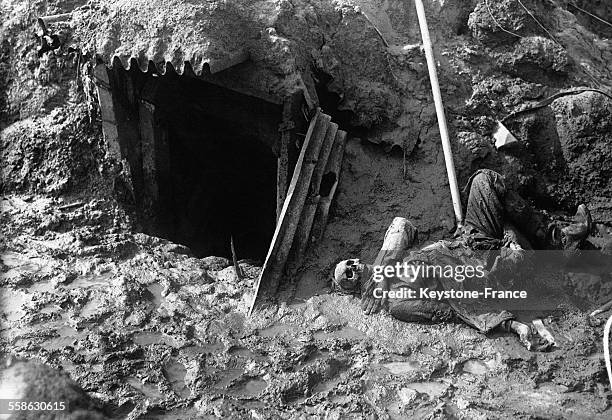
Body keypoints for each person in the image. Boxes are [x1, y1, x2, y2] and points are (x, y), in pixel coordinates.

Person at [333, 169, 592, 351]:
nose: (354, 267)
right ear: (353, 289)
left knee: (484, 180)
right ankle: (546, 256)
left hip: (469, 241)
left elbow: (402, 225)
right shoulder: (397, 303)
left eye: (350, 262)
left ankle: (558, 241)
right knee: (514, 246)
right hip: (486, 269)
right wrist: (510, 325)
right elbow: (452, 309)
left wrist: (381, 273)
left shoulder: (387, 263)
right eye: (348, 275)